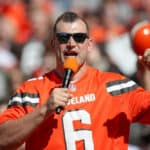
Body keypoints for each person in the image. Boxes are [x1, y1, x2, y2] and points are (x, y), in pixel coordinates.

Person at [0, 11, 150, 150]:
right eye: (64, 38)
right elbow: (2, 139)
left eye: (79, 37)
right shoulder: (31, 92)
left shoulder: (116, 87)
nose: (71, 43)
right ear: (53, 44)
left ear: (89, 44)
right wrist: (44, 110)